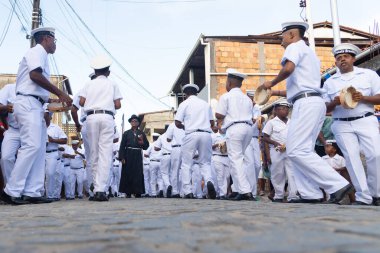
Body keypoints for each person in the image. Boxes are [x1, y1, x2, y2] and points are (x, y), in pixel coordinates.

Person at [257, 21, 352, 204]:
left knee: (296, 150)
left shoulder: (294, 47)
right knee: (302, 150)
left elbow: (288, 69)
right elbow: (301, 86)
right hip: (311, 101)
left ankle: (338, 184)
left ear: (292, 35)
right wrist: (275, 92)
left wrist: (272, 83)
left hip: (306, 104)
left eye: (283, 36)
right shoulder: (309, 54)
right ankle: (311, 194)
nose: (281, 40)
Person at [0, 27, 72, 205]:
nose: (55, 44)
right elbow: (34, 76)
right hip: (27, 104)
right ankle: (12, 190)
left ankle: (33, 191)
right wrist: (61, 93)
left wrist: (56, 99)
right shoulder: (36, 51)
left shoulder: (43, 56)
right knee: (31, 145)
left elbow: (38, 89)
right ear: (47, 39)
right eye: (54, 41)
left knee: (39, 149)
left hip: (37, 105)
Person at [324, 43, 380, 206]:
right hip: (342, 123)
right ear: (335, 62)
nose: (342, 60)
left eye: (346, 56)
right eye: (338, 58)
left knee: (375, 155)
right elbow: (324, 107)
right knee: (352, 158)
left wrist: (363, 98)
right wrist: (334, 103)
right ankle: (363, 197)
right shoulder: (330, 82)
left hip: (365, 119)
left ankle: (376, 193)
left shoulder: (368, 75)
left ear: (353, 58)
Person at [79, 55, 122, 201]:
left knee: (93, 154)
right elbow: (118, 105)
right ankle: (100, 189)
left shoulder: (88, 84)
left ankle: (94, 187)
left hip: (91, 118)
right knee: (105, 154)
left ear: (95, 72)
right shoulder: (113, 83)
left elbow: (81, 101)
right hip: (107, 117)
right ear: (108, 72)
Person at [215, 69, 254, 201]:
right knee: (238, 159)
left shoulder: (226, 96)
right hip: (248, 128)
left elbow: (219, 114)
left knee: (235, 159)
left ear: (229, 82)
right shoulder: (247, 99)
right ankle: (237, 189)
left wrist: (220, 124)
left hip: (235, 128)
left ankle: (245, 191)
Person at [175, 84, 217, 199]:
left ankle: (188, 191)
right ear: (196, 93)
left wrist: (186, 126)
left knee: (186, 163)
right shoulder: (205, 104)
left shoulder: (184, 104)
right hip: (206, 134)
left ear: (185, 94)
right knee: (205, 162)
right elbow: (212, 123)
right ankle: (209, 181)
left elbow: (177, 123)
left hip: (191, 134)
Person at [262, 100, 298, 203]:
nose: (285, 111)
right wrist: (274, 143)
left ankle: (293, 196)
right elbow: (265, 137)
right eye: (283, 109)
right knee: (278, 173)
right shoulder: (271, 122)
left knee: (292, 173)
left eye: (287, 109)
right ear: (276, 110)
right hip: (276, 151)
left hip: (290, 150)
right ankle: (278, 195)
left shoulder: (292, 122)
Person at [118, 114, 149, 198]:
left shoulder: (141, 133)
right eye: (132, 121)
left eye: (135, 121)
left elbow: (146, 146)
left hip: (138, 154)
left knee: (138, 173)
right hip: (128, 153)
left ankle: (138, 192)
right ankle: (128, 192)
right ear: (130, 123)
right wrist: (122, 157)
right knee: (127, 172)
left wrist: (142, 142)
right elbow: (122, 145)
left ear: (138, 123)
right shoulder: (126, 133)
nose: (134, 122)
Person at [44, 110, 67, 200]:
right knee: (40, 175)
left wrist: (53, 140)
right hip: (40, 153)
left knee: (50, 174)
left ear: (50, 116)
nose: (44, 116)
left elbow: (64, 140)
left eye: (46, 115)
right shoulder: (38, 126)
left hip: (52, 153)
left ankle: (50, 195)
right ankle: (40, 195)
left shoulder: (56, 128)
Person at [0, 83, 19, 184]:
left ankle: (28, 192)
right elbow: (1, 108)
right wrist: (5, 107)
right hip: (13, 129)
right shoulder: (10, 88)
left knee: (28, 160)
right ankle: (11, 189)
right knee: (6, 158)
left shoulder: (38, 89)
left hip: (31, 131)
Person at [166, 115, 185, 198]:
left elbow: (168, 139)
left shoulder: (172, 125)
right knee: (185, 170)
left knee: (175, 171)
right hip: (186, 148)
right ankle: (185, 192)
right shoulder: (187, 124)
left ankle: (175, 191)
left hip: (176, 148)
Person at [154, 126, 173, 197]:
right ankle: (174, 191)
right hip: (174, 155)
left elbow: (156, 148)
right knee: (173, 174)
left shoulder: (162, 136)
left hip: (165, 155)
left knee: (164, 173)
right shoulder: (174, 135)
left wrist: (162, 147)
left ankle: (168, 185)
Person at [145, 133, 164, 198]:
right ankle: (161, 190)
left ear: (153, 138)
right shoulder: (162, 145)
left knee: (153, 178)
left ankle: (153, 193)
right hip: (160, 162)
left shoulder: (152, 145)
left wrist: (150, 155)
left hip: (153, 162)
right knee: (160, 178)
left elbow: (145, 154)